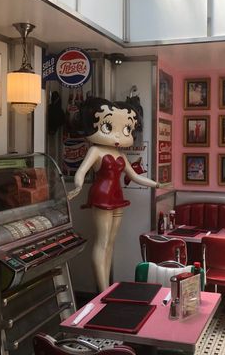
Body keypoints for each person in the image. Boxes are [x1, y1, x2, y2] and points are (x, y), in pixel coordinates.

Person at [68, 97, 160, 291]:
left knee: (110, 242)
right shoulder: (95, 150)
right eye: (109, 127)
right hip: (101, 196)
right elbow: (81, 172)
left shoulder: (121, 155)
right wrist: (77, 186)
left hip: (117, 197)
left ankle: (106, 287)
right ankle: (102, 289)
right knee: (102, 241)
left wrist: (157, 184)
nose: (119, 135)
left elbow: (134, 176)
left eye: (126, 129)